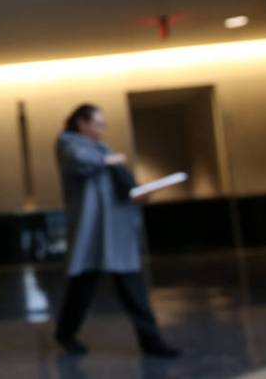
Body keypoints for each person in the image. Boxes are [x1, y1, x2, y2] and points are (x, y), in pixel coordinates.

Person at [53, 104, 180, 357]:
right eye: (98, 124)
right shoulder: (69, 144)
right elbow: (79, 161)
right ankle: (65, 334)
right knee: (82, 288)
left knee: (132, 289)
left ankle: (150, 340)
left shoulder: (103, 150)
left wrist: (139, 195)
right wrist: (109, 160)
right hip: (93, 233)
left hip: (114, 232)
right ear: (82, 123)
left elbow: (119, 188)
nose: (103, 129)